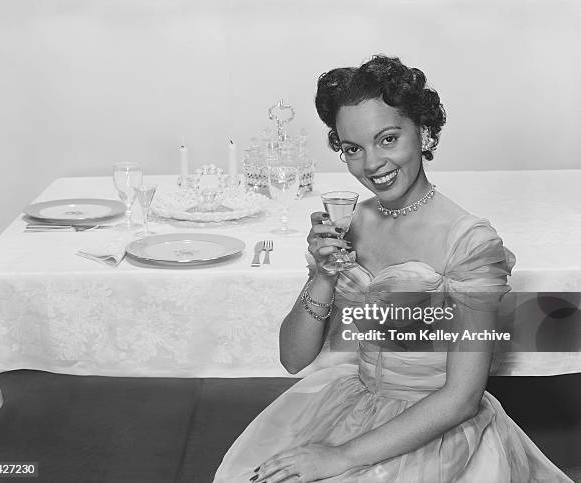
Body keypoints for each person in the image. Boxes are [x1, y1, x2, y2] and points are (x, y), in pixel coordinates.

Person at [214, 55, 572, 482]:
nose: (371, 164)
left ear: (423, 132)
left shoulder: (470, 243)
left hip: (438, 428)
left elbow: (461, 397)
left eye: (387, 139)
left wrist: (340, 457)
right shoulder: (351, 222)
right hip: (352, 402)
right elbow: (293, 358)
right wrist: (323, 275)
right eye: (353, 148)